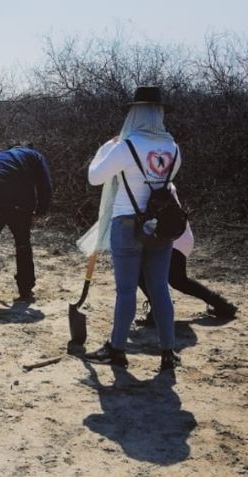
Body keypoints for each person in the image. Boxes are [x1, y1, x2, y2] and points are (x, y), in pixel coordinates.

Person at [83, 86, 182, 371]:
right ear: (160, 112)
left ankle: (117, 349)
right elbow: (167, 182)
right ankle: (168, 353)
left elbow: (95, 177)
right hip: (160, 226)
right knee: (160, 288)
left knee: (126, 291)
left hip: (126, 223)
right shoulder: (173, 147)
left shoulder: (125, 146)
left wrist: (105, 147)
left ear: (135, 111)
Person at [0, 141, 52, 307]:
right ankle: (25, 290)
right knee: (23, 244)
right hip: (20, 201)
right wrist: (41, 211)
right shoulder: (35, 156)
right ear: (28, 147)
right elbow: (45, 185)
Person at [137, 203, 238, 326]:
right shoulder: (164, 184)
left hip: (169, 236)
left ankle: (158, 311)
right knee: (178, 280)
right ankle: (222, 305)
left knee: (139, 272)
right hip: (179, 234)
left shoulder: (145, 185)